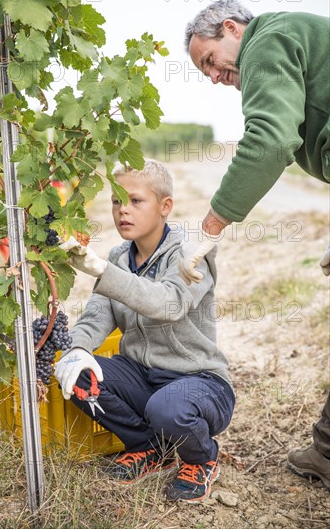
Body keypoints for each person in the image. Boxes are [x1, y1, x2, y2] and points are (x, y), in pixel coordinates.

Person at [179, 0, 330, 491]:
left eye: (210, 62)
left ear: (231, 28)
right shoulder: (296, 41)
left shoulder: (266, 39)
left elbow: (269, 140)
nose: (216, 77)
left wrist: (210, 227)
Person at [55, 159, 235, 502]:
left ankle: (202, 458)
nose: (123, 210)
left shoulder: (190, 253)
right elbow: (97, 315)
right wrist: (77, 349)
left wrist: (100, 270)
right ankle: (151, 448)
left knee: (166, 409)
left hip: (199, 382)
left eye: (135, 200)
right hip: (142, 377)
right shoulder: (120, 257)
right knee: (79, 375)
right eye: (116, 200)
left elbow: (166, 303)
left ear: (165, 206)